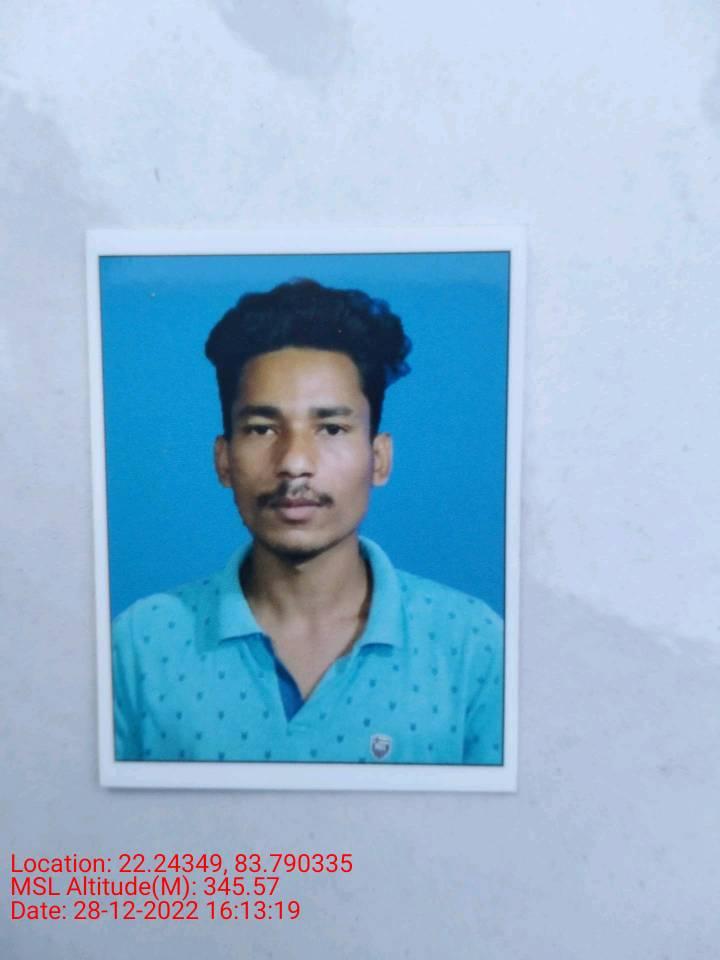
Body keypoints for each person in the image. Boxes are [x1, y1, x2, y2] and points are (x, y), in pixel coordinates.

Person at [112, 279, 503, 765]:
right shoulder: (140, 644)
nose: (294, 463)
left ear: (379, 459)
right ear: (224, 460)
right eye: (262, 429)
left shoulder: (473, 645)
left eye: (331, 429)